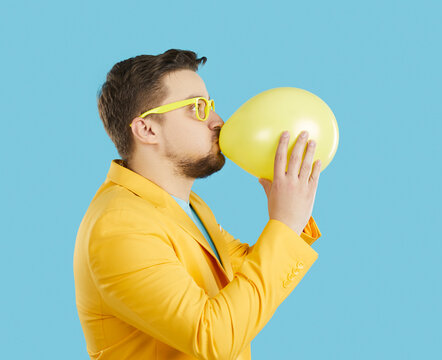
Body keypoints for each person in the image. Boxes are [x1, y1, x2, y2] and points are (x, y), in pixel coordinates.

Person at [73, 49, 323, 360]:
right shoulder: (119, 227)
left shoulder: (190, 207)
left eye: (211, 106)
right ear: (147, 129)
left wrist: (293, 221)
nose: (218, 121)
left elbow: (244, 279)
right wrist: (284, 225)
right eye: (197, 108)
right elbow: (212, 338)